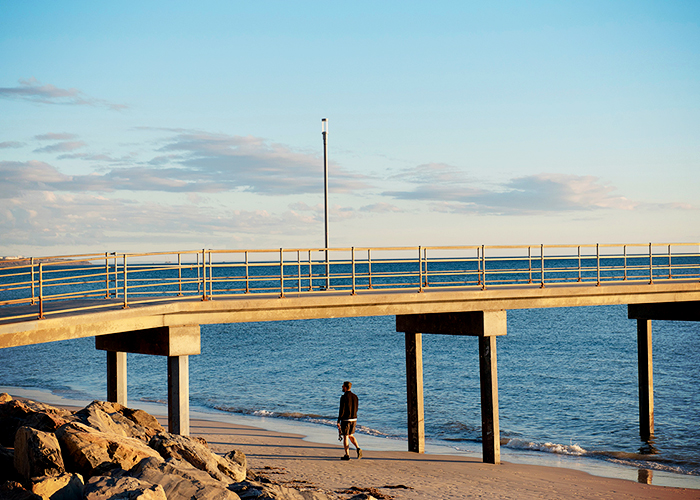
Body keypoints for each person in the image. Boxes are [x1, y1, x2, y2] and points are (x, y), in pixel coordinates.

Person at [337, 380, 362, 460]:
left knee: (345, 436)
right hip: (354, 418)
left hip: (346, 419)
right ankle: (358, 448)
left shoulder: (343, 397)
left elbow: (341, 410)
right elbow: (357, 408)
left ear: (346, 387)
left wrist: (338, 421)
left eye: (343, 386)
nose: (342, 387)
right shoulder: (355, 397)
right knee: (351, 435)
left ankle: (347, 455)